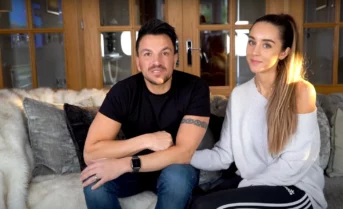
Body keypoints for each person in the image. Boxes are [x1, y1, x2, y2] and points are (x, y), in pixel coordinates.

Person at [190, 14, 328, 209]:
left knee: (205, 206)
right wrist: (180, 154)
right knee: (191, 199)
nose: (254, 52)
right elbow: (223, 156)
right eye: (252, 42)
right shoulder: (239, 95)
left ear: (283, 52)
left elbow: (294, 164)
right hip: (255, 187)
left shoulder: (301, 91)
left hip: (295, 189)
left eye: (266, 45)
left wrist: (244, 186)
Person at [80, 19, 211, 209]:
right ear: (138, 62)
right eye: (147, 54)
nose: (156, 62)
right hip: (134, 175)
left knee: (177, 177)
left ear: (175, 58)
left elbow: (183, 153)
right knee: (93, 180)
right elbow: (91, 152)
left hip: (173, 166)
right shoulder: (122, 92)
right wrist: (146, 140)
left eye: (164, 53)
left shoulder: (195, 88)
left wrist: (126, 164)